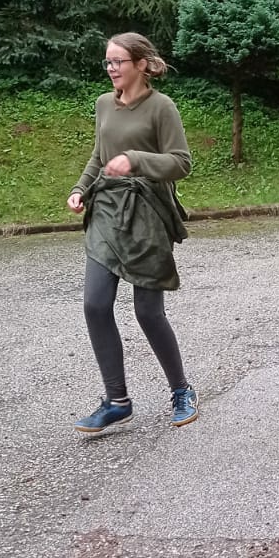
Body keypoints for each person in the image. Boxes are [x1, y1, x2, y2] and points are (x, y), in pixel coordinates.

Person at [66, 32, 198, 437]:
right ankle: (117, 401)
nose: (111, 69)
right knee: (95, 303)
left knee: (147, 311)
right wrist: (81, 188)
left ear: (141, 64)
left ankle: (181, 390)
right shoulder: (103, 104)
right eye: (107, 62)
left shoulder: (162, 107)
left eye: (118, 61)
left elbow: (181, 162)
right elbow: (99, 155)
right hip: (106, 208)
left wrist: (135, 160)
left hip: (147, 213)